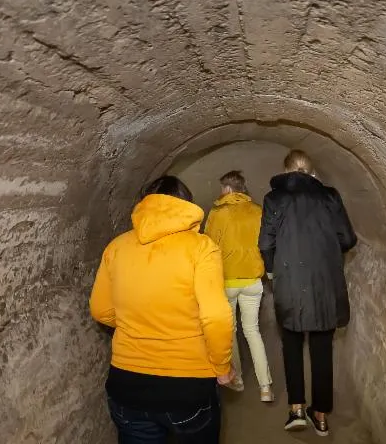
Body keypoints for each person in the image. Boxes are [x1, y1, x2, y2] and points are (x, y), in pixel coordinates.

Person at [89, 176, 234, 444]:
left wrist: (138, 320)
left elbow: (100, 310)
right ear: (184, 204)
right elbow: (215, 316)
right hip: (187, 386)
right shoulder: (201, 247)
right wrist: (222, 366)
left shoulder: (117, 247)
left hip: (127, 385)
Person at [258, 150, 357, 437]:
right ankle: (322, 415)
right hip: (325, 284)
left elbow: (266, 242)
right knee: (322, 350)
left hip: (290, 283)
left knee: (291, 346)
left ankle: (296, 409)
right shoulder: (329, 196)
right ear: (311, 171)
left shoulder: (274, 198)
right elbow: (348, 238)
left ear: (287, 170)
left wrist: (273, 272)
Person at [204, 170, 274, 403]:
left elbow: (208, 246)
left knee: (230, 332)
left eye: (222, 188)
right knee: (253, 331)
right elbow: (265, 242)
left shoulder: (217, 212)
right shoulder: (257, 211)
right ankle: (266, 387)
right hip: (253, 281)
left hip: (227, 281)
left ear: (228, 189)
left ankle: (238, 380)